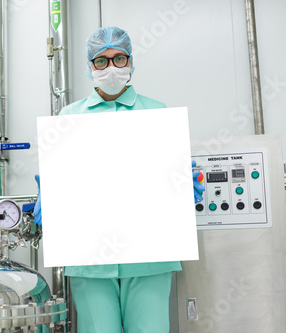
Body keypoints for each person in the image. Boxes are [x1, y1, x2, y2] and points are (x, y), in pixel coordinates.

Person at [34, 26, 205, 332]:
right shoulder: (68, 119)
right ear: (90, 66)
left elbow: (167, 178)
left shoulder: (157, 113)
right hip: (89, 255)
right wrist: (50, 195)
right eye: (102, 60)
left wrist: (183, 187)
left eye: (119, 58)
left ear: (131, 62)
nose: (111, 67)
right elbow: (66, 181)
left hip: (151, 253)